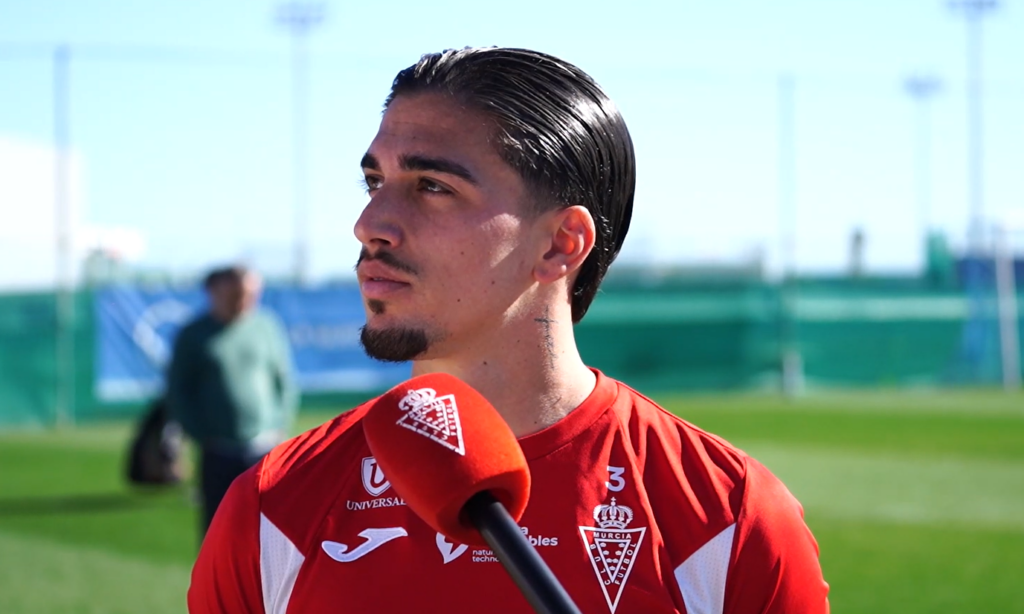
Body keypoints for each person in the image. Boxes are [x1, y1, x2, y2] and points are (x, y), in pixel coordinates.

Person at [188, 48, 829, 613]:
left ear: (560, 243)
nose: (370, 222)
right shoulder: (273, 508)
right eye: (375, 181)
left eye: (432, 186)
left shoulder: (726, 519)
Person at [167, 265, 298, 537]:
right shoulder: (194, 334)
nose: (244, 301)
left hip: (266, 447)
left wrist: (280, 425)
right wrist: (199, 433)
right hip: (218, 451)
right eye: (237, 294)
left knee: (272, 530)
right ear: (215, 292)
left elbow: (284, 381)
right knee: (220, 531)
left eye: (251, 294)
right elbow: (178, 390)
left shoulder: (266, 326)